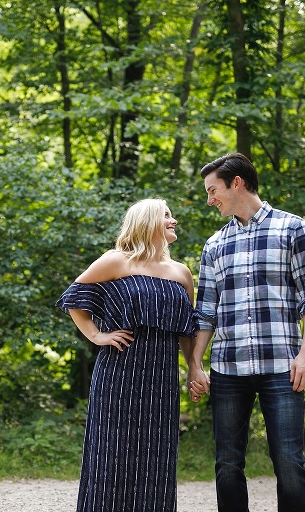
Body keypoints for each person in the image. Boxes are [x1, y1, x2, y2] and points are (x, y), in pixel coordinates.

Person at [187, 153, 305, 512]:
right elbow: (205, 311)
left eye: (212, 190)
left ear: (237, 183)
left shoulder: (293, 229)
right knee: (228, 464)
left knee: (288, 462)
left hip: (283, 367)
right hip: (228, 370)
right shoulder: (214, 244)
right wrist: (195, 364)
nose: (209, 200)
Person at [55, 198, 196, 512]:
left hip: (162, 379)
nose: (174, 221)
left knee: (156, 460)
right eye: (167, 216)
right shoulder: (116, 261)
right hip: (119, 373)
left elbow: (186, 330)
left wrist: (195, 369)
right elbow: (74, 299)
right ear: (146, 222)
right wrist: (96, 335)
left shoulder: (181, 273)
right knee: (111, 456)